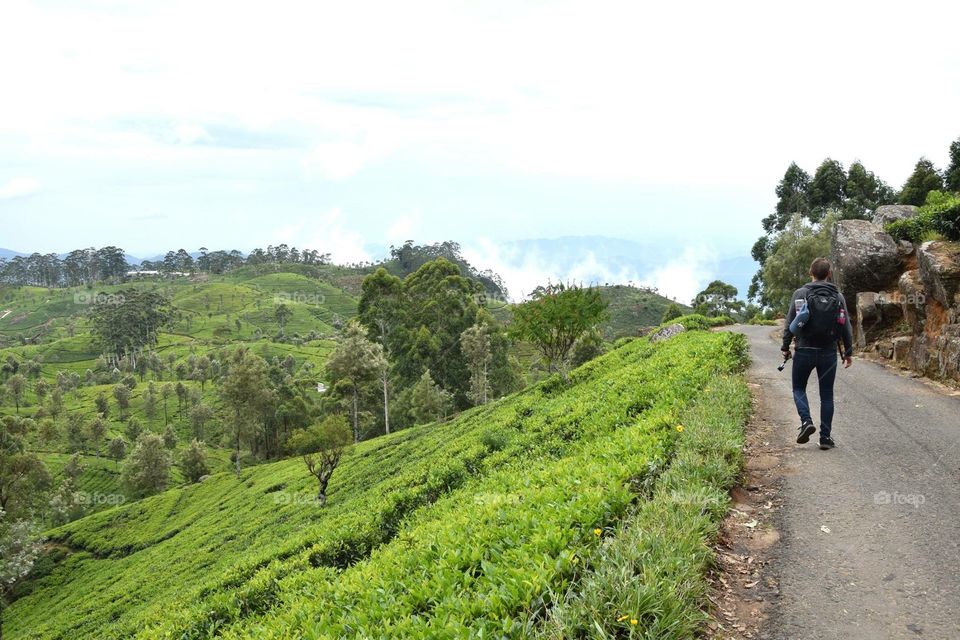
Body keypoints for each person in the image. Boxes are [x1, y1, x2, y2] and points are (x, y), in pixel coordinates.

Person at [781, 257, 853, 450]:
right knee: (827, 395)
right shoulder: (838, 296)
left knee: (798, 388)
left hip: (804, 349)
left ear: (810, 273)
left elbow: (790, 323)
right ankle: (825, 438)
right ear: (829, 273)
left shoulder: (800, 293)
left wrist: (785, 347)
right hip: (828, 352)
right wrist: (848, 351)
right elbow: (845, 324)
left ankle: (806, 421)